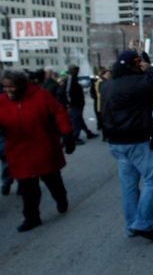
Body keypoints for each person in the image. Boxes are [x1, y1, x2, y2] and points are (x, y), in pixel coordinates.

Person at [100, 50, 153, 242]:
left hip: (116, 142)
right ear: (132, 65)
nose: (140, 65)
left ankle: (131, 224)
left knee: (129, 185)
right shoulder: (138, 83)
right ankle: (143, 223)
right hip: (138, 140)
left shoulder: (107, 85)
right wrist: (150, 68)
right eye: (137, 62)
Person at [0, 70, 75, 232]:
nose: (9, 90)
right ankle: (31, 217)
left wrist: (67, 133)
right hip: (19, 153)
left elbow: (59, 113)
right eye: (5, 87)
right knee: (28, 190)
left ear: (21, 85)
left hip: (44, 148)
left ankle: (61, 197)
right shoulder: (2, 103)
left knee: (53, 181)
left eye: (12, 86)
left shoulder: (41, 96)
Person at [58, 64, 98, 143]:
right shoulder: (70, 79)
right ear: (72, 70)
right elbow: (67, 92)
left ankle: (88, 133)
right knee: (77, 120)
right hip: (74, 104)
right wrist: (69, 103)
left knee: (79, 119)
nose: (78, 71)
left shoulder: (73, 78)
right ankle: (75, 137)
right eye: (76, 69)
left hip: (76, 104)